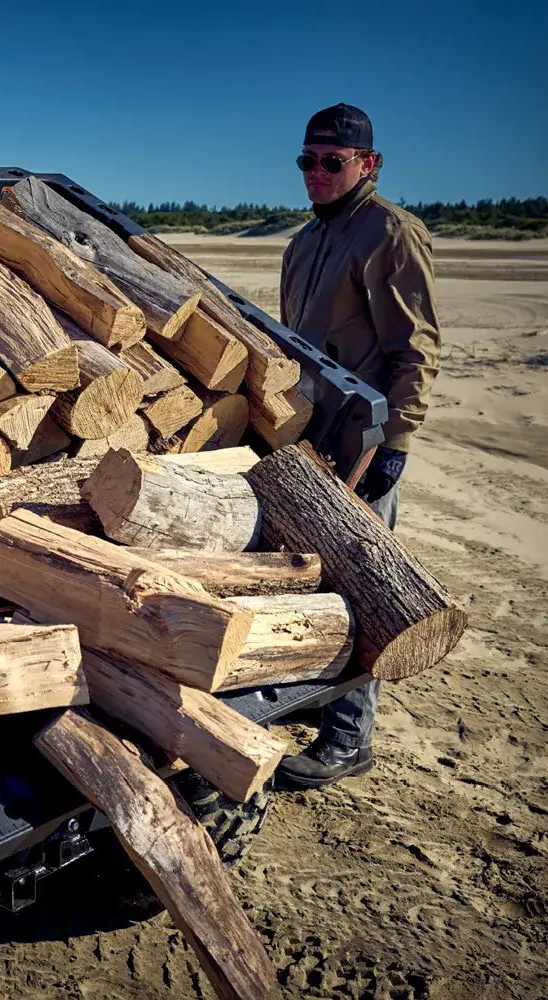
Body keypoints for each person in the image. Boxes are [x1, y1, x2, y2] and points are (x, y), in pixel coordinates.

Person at [275, 102, 441, 788]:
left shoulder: (392, 234)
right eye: (307, 160)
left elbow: (417, 350)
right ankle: (320, 709)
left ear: (368, 164)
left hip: (363, 444)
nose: (316, 173)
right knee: (309, 577)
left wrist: (395, 442)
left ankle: (349, 740)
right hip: (311, 440)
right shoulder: (306, 240)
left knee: (362, 587)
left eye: (332, 162)